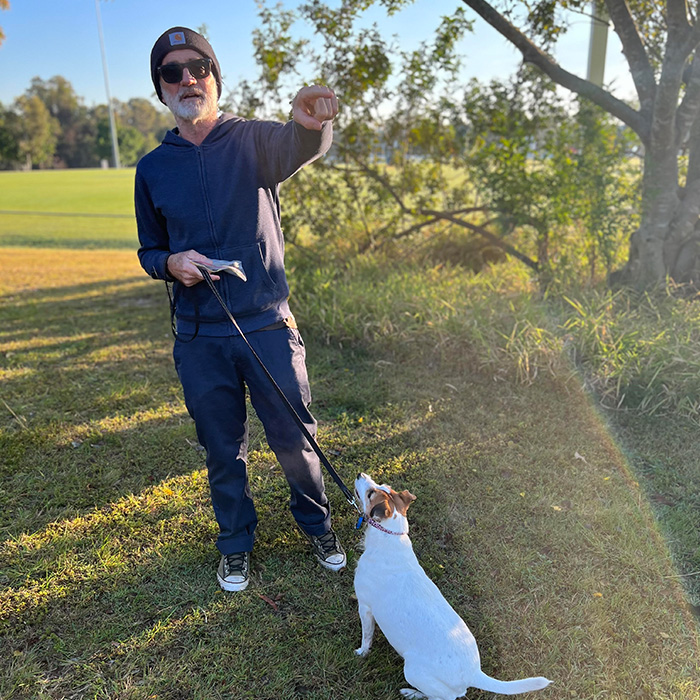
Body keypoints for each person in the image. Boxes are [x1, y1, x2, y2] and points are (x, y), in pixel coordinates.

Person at [135, 26, 345, 592]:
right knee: (222, 448)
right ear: (161, 88)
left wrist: (310, 122)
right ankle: (235, 545)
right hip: (199, 336)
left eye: (198, 67)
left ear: (215, 76)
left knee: (295, 438)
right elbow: (148, 249)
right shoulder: (152, 168)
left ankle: (319, 526)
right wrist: (169, 263)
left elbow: (301, 145)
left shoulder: (254, 140)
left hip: (267, 325)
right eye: (172, 72)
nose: (188, 80)